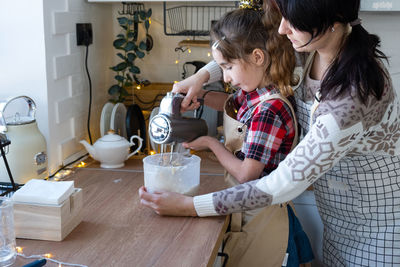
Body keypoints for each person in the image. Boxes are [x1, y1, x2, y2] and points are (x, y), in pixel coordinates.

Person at [140, 0, 400, 265]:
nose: (282, 29)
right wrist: (202, 77)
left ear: (331, 18)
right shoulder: (313, 44)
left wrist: (190, 207)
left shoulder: (354, 94)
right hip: (336, 223)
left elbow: (282, 183)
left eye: (292, 20)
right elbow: (248, 51)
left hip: (379, 233)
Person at [179, 5, 313, 267]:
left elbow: (246, 174)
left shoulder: (269, 109)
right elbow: (231, 102)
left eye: (228, 67)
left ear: (258, 57)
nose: (226, 77)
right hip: (246, 208)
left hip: (263, 215)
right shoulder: (258, 91)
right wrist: (201, 96)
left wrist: (209, 144)